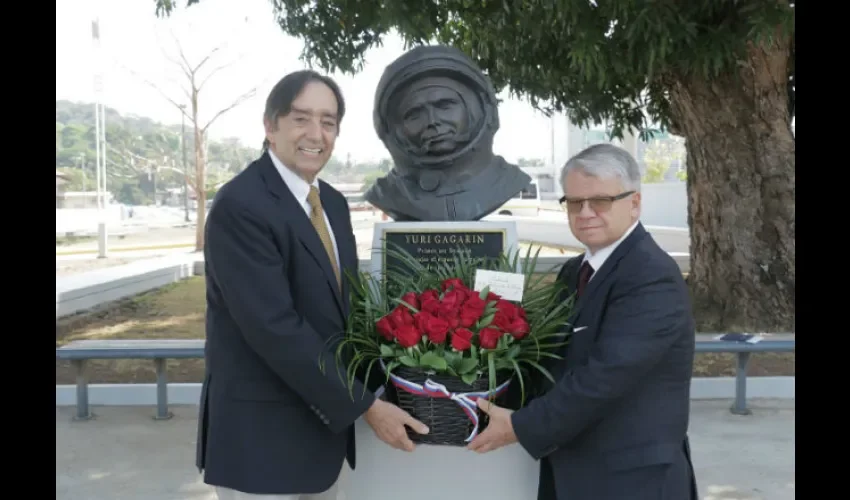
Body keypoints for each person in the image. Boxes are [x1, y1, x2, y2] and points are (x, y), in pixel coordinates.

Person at [196, 70, 429, 500]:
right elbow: (274, 327)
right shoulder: (241, 206)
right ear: (271, 125)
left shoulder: (333, 205)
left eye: (328, 121)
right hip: (262, 440)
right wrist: (365, 405)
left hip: (321, 431)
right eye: (301, 118)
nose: (315, 134)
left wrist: (405, 375)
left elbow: (345, 310)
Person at [467, 143, 699, 500]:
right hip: (573, 471)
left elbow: (604, 378)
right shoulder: (573, 271)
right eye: (574, 202)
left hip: (632, 480)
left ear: (634, 203)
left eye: (600, 201)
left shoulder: (652, 276)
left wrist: (517, 426)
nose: (585, 212)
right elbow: (546, 358)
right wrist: (472, 392)